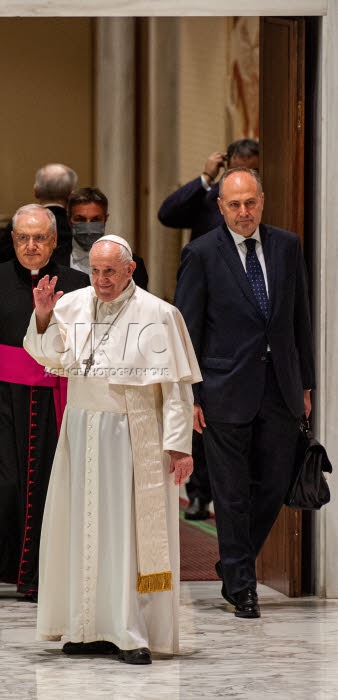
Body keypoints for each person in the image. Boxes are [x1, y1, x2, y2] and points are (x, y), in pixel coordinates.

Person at [24, 235, 201, 664]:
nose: (101, 280)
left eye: (110, 271)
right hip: (82, 432)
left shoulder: (160, 314)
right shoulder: (73, 305)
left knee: (125, 534)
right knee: (82, 527)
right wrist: (44, 315)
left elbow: (176, 389)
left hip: (132, 437)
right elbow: (46, 355)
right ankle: (85, 627)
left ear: (130, 270)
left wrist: (179, 446)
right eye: (96, 271)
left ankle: (129, 631)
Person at [174, 168, 315, 619]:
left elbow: (300, 319)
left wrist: (306, 383)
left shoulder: (286, 246)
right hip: (222, 388)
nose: (243, 212)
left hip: (281, 387)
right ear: (220, 207)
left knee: (274, 485)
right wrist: (191, 395)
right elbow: (187, 329)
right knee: (231, 492)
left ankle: (232, 560)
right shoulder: (201, 254)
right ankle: (242, 585)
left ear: (262, 200)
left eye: (249, 202)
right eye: (233, 205)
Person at [0, 204, 89, 602]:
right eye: (23, 237)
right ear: (12, 240)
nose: (31, 245)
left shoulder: (78, 283)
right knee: (1, 485)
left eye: (40, 237)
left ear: (54, 241)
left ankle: (34, 578)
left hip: (54, 399)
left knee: (47, 487)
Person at [158, 138, 259, 520]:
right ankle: (199, 492)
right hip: (208, 307)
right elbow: (167, 214)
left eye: (254, 165)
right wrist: (204, 176)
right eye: (240, 164)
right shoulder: (210, 197)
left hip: (251, 314)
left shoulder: (259, 201)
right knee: (201, 406)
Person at [158, 138, 259, 240]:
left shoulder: (265, 199)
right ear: (227, 168)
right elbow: (166, 215)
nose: (244, 179)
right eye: (238, 172)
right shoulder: (208, 197)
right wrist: (207, 176)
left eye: (253, 172)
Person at [52, 186, 149, 290]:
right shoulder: (52, 260)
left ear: (105, 219)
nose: (88, 227)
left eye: (95, 220)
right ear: (69, 220)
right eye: (80, 219)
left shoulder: (131, 263)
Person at [0, 163, 78, 263]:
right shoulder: (75, 227)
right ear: (71, 195)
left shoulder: (16, 224)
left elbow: (3, 261)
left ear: (36, 191)